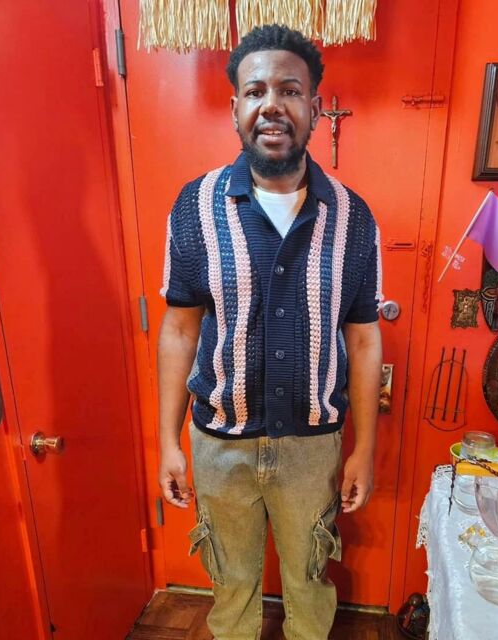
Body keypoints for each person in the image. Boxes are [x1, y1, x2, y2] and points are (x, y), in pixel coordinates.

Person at [157, 24, 383, 640]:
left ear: (315, 105)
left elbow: (364, 339)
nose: (272, 105)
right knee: (230, 586)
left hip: (313, 447)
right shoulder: (195, 207)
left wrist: (363, 447)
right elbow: (179, 331)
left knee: (310, 583)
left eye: (290, 90)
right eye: (256, 91)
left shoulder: (353, 218)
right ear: (236, 107)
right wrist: (168, 442)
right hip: (220, 445)